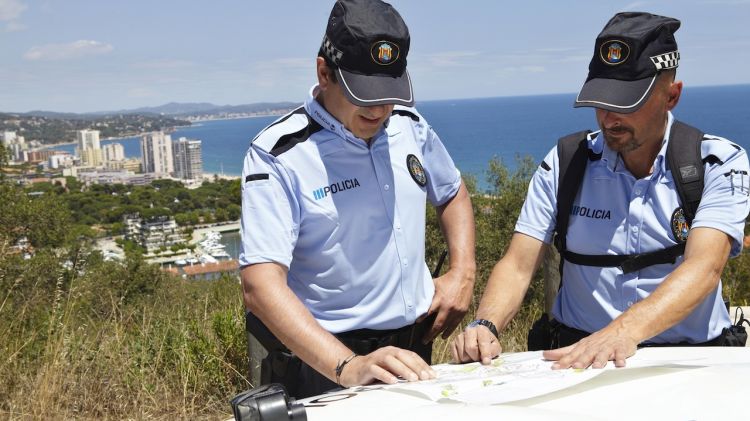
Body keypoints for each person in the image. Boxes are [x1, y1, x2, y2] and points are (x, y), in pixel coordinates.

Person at [451, 12, 750, 369]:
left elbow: (704, 267)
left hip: (685, 362)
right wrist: (486, 324)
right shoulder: (566, 163)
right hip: (580, 360)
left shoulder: (717, 162)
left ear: (672, 96)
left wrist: (621, 332)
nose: (609, 117)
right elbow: (518, 264)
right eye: (602, 100)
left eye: (628, 102)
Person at [239, 0, 476, 398]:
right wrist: (347, 366)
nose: (381, 108)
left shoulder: (410, 127)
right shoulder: (278, 154)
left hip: (416, 349)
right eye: (364, 94)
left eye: (390, 92)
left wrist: (463, 272)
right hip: (327, 362)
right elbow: (260, 286)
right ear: (324, 73)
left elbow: (453, 193)